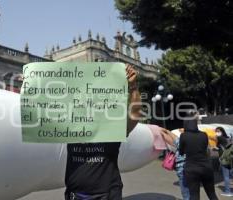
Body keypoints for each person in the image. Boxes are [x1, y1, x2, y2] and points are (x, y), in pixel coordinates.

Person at [64, 64, 141, 200]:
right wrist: (33, 88)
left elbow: (135, 114)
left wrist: (133, 87)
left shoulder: (112, 126)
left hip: (105, 195)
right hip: (74, 194)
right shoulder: (70, 126)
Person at [179, 111, 218, 200]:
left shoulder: (184, 136)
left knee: (194, 195)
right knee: (212, 194)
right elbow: (205, 149)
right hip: (206, 167)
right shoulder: (204, 134)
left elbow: (181, 152)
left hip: (191, 168)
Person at [160, 128, 190, 200]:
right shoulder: (195, 141)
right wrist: (167, 131)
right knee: (192, 190)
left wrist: (162, 133)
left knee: (185, 191)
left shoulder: (183, 143)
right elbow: (176, 139)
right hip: (193, 167)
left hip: (183, 168)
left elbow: (172, 141)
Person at [216, 127, 233, 197]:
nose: (217, 133)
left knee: (226, 176)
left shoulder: (220, 138)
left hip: (224, 159)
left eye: (218, 131)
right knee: (230, 175)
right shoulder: (227, 138)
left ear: (222, 131)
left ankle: (227, 191)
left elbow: (216, 143)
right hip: (229, 158)